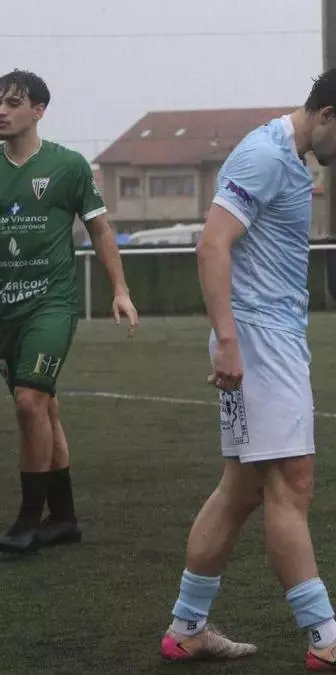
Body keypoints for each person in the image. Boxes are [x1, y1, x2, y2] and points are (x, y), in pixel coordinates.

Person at [158, 62, 336, 671]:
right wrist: (228, 340)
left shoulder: (289, 158)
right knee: (293, 484)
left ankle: (187, 628)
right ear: (326, 114)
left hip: (271, 338)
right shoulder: (265, 156)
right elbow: (212, 244)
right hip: (259, 341)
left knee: (240, 489)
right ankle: (326, 639)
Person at [0, 69, 138, 555]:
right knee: (44, 408)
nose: (1, 111)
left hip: (51, 305)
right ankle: (63, 519)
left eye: (12, 103)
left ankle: (27, 521)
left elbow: (100, 229)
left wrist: (119, 289)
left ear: (38, 111)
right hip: (5, 310)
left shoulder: (68, 166)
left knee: (28, 402)